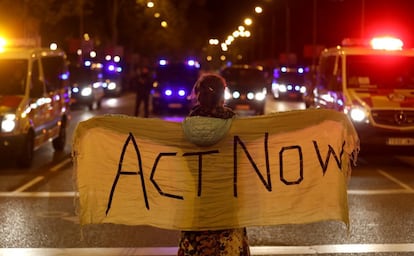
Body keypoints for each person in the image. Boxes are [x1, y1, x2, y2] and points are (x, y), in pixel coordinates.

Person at [178, 73, 251, 256]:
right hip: (227, 202)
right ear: (222, 95)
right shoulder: (234, 125)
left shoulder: (188, 126)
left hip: (200, 202)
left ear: (198, 95)